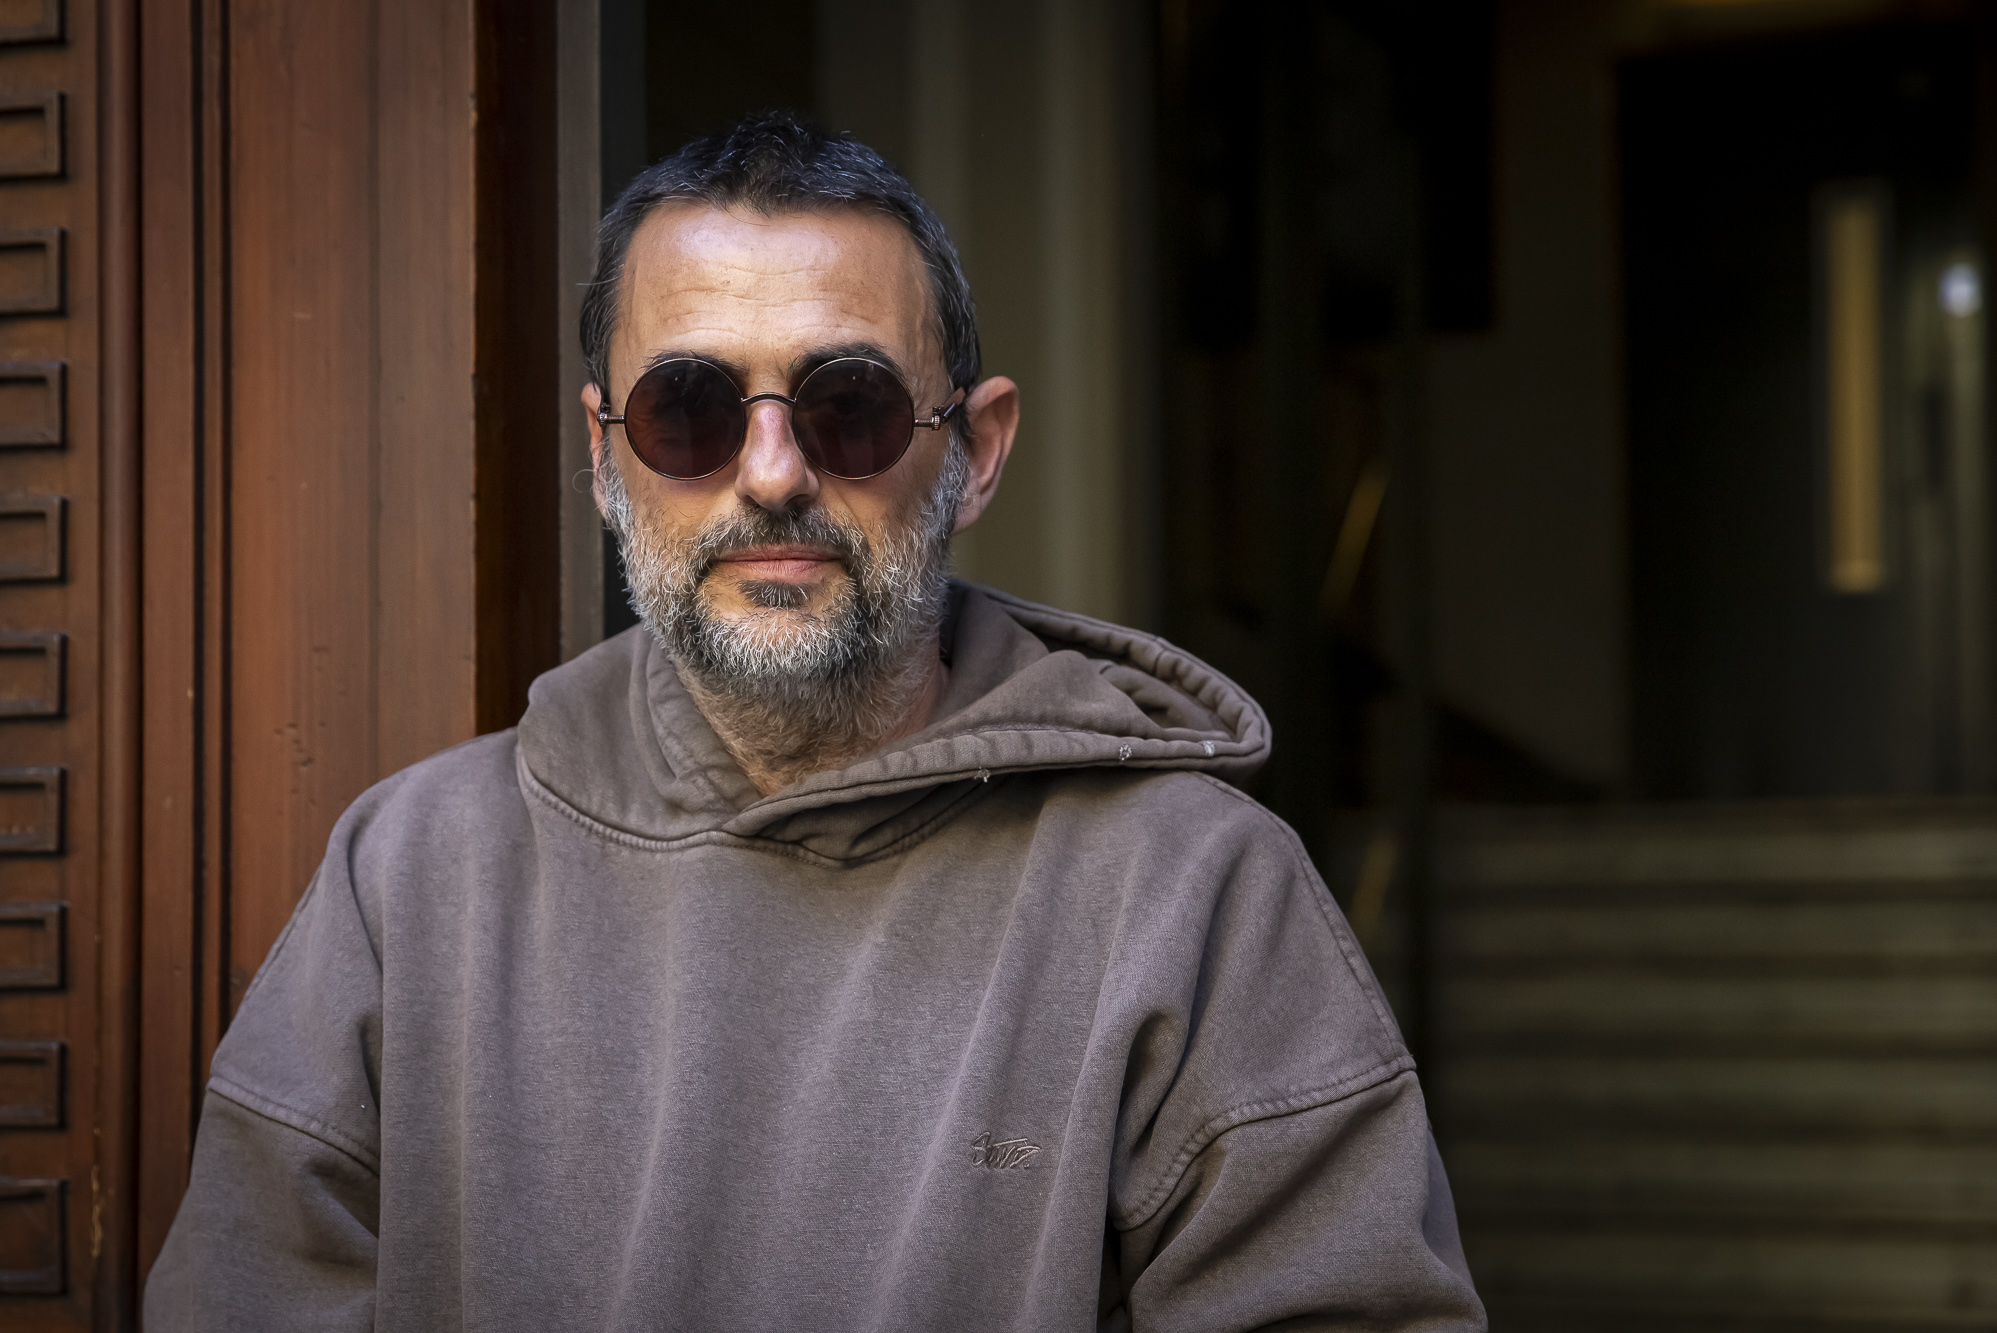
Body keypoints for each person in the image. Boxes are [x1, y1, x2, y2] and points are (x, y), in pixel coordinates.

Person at [145, 111, 1485, 1331]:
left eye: (850, 406)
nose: (773, 473)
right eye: (689, 410)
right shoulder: (405, 875)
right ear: (603, 457)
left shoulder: (1197, 895)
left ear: (977, 452)